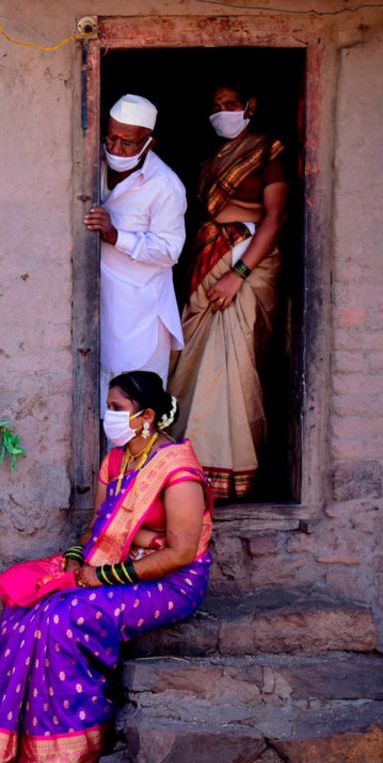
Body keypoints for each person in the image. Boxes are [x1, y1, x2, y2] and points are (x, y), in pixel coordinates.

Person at [0, 371, 213, 763]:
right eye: (109, 407)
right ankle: (18, 745)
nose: (109, 416)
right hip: (112, 565)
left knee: (64, 618)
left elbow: (180, 552)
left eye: (117, 409)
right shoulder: (117, 459)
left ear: (147, 415)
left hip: (170, 582)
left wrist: (103, 575)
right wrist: (77, 557)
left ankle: (74, 750)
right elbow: (98, 525)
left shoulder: (177, 470)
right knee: (25, 605)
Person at [166, 83, 289, 501]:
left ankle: (229, 473)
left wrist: (238, 273)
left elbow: (275, 218)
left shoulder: (267, 149)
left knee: (232, 370)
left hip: (246, 264)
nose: (222, 112)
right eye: (216, 106)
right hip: (209, 258)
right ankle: (187, 468)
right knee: (193, 363)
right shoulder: (211, 160)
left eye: (231, 105)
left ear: (250, 106)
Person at [84, 94, 187, 390]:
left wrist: (117, 237)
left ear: (148, 143)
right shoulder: (94, 164)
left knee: (135, 407)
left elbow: (170, 250)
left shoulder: (165, 186)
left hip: (140, 315)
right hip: (100, 308)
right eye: (111, 138)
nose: (115, 148)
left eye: (126, 143)